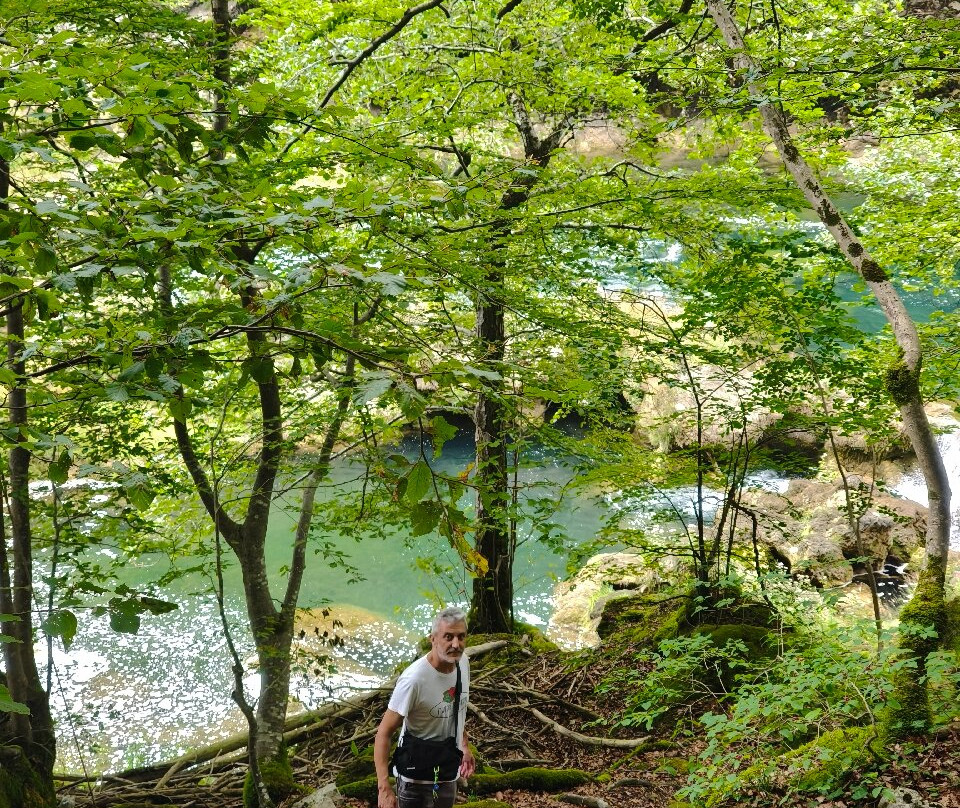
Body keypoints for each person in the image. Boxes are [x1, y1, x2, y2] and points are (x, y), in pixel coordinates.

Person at [374, 606, 476, 808]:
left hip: (447, 772)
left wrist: (464, 745)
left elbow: (457, 709)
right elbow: (384, 732)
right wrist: (384, 787)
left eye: (461, 637)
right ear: (433, 639)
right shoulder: (414, 680)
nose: (456, 644)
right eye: (448, 637)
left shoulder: (462, 663)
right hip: (415, 780)